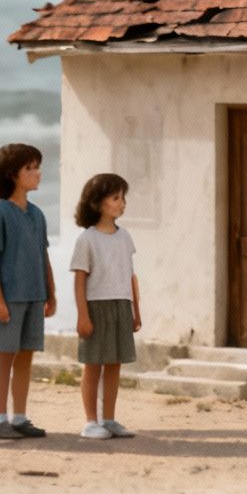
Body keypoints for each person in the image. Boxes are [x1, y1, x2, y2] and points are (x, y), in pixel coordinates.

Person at [0, 142, 54, 440]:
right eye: (30, 168)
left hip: (35, 295)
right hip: (9, 298)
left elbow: (43, 254)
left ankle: (20, 417)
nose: (37, 173)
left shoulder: (37, 214)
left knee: (26, 357)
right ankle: (0, 420)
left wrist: (51, 292)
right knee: (5, 355)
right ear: (12, 174)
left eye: (37, 166)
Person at [70, 172, 141, 440]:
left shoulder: (125, 238)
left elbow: (131, 276)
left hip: (121, 305)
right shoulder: (86, 239)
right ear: (99, 203)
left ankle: (109, 419)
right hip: (96, 307)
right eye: (115, 197)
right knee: (93, 365)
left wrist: (136, 310)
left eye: (123, 197)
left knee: (114, 364)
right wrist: (82, 316)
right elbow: (79, 280)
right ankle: (90, 422)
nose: (122, 202)